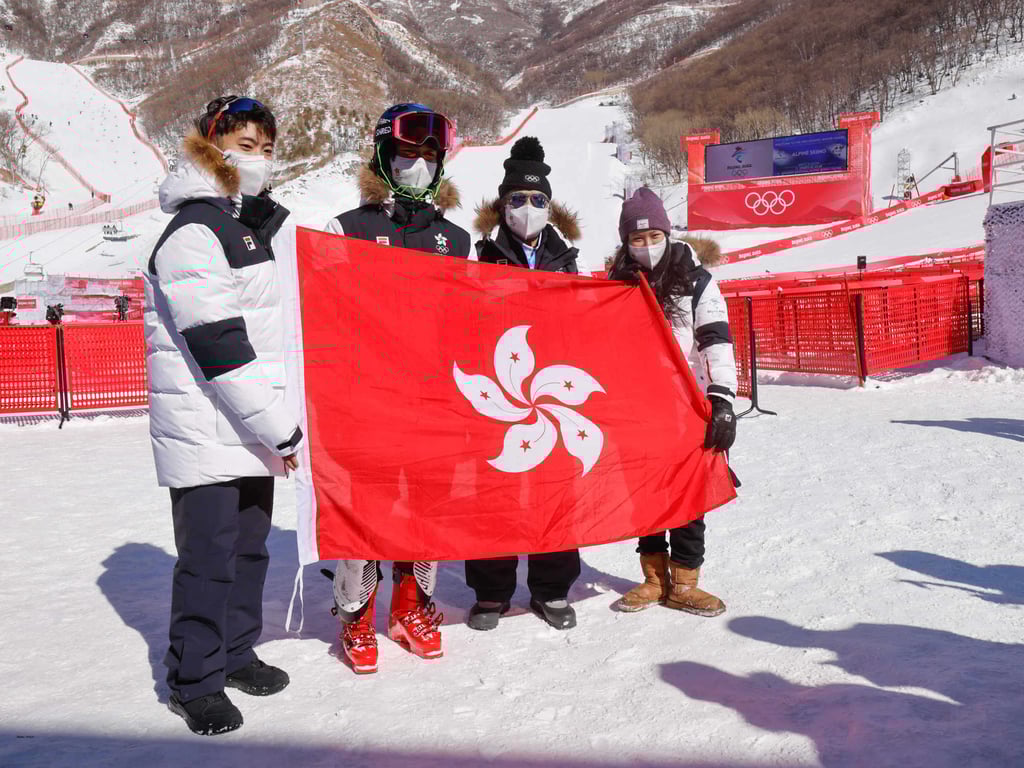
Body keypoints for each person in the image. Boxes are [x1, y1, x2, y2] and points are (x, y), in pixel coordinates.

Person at [144, 95, 301, 735]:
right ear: (212, 146)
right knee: (208, 558)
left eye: (265, 147)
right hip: (207, 427)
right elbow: (220, 344)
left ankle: (236, 652)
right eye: (243, 144)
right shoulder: (194, 230)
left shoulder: (242, 226)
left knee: (249, 549)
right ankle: (195, 679)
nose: (257, 158)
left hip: (244, 428)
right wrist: (278, 425)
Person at [324, 103, 470, 675]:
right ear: (384, 153)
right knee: (365, 514)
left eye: (429, 155)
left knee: (424, 513)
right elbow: (326, 319)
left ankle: (412, 606)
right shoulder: (349, 228)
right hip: (367, 402)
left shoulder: (455, 239)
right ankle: (355, 615)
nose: (418, 163)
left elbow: (468, 321)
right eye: (408, 152)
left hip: (432, 401)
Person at [464, 135, 584, 633]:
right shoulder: (482, 255)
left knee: (554, 489)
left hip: (552, 388)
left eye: (537, 200)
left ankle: (551, 588)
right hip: (497, 385)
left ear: (549, 206)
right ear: (502, 204)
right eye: (517, 199)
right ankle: (491, 591)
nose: (528, 208)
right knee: (496, 487)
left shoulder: (565, 257)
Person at [607, 187, 737, 617]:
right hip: (639, 408)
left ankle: (684, 580)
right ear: (627, 242)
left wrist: (721, 399)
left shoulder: (696, 280)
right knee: (646, 493)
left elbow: (715, 338)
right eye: (637, 240)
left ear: (668, 232)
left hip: (687, 404)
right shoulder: (619, 284)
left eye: (654, 236)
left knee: (688, 494)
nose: (646, 247)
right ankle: (653, 577)